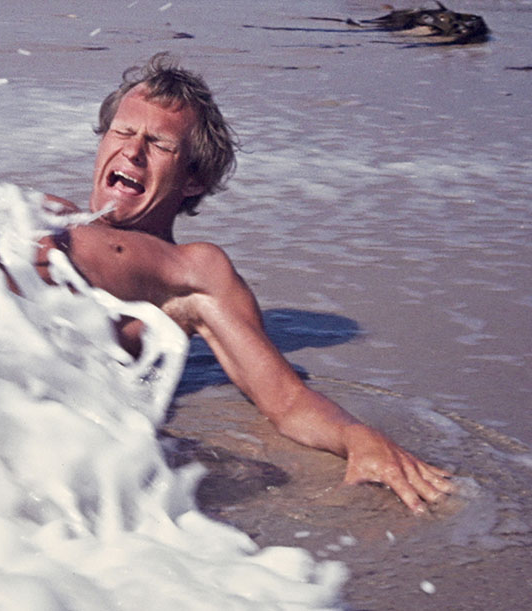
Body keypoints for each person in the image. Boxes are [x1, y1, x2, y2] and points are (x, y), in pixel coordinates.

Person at [35, 53, 453, 513]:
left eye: (159, 143)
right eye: (123, 131)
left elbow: (285, 400)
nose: (133, 151)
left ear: (193, 179)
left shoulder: (193, 272)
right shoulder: (38, 213)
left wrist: (359, 437)